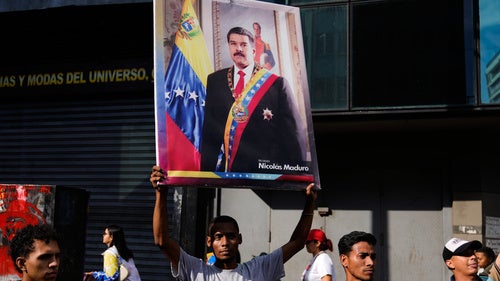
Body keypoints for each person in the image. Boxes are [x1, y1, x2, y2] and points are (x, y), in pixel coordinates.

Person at [150, 165, 317, 281]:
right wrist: (161, 193)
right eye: (218, 237)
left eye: (230, 236)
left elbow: (298, 242)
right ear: (209, 241)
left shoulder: (258, 269)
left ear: (239, 239)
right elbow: (161, 241)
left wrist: (310, 202)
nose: (225, 243)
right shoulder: (197, 271)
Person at [200, 26, 307, 174]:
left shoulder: (276, 84)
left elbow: (293, 135)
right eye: (233, 44)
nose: (238, 48)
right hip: (229, 172)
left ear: (253, 51)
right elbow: (210, 132)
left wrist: (297, 176)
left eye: (244, 44)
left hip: (265, 173)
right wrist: (206, 176)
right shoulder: (215, 80)